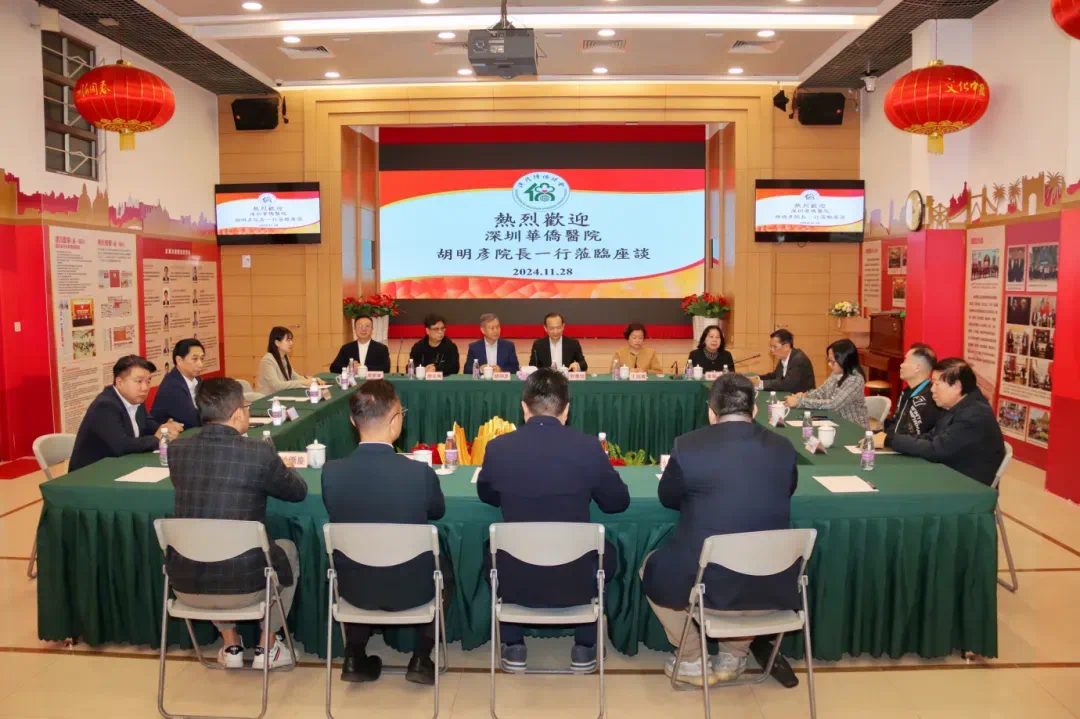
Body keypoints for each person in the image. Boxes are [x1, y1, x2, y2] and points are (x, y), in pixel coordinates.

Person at [642, 374, 798, 686]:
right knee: (749, 568)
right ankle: (733, 656)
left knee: (651, 567)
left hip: (708, 578)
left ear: (711, 412)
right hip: (773, 578)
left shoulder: (688, 446)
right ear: (754, 410)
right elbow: (788, 488)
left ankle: (690, 659)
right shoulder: (783, 447)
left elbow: (668, 497)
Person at [478, 369, 629, 673]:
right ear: (567, 409)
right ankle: (585, 646)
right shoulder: (589, 447)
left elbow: (488, 496)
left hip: (515, 576)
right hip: (577, 577)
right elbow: (617, 502)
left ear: (524, 407)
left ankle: (513, 644)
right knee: (608, 553)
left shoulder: (498, 448)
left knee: (491, 551)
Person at [167, 377, 307, 669]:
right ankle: (267, 647)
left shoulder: (177, 450)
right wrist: (283, 465)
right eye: (246, 406)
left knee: (208, 545)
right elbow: (297, 492)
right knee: (287, 550)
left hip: (187, 582)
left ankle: (231, 645)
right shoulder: (257, 453)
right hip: (246, 583)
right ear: (237, 413)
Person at [321, 380, 451, 686]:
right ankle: (421, 657)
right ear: (395, 420)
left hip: (354, 591)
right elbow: (437, 511)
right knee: (444, 566)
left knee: (356, 559)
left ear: (353, 421)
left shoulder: (331, 473)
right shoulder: (419, 473)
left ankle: (354, 654)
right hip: (413, 590)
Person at [878, 358, 1005, 486]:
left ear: (956, 386)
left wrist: (890, 440)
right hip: (949, 472)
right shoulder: (955, 404)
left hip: (966, 484)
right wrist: (890, 438)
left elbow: (935, 450)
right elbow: (931, 437)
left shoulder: (974, 414)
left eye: (936, 384)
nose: (932, 389)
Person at [69, 355, 183, 472]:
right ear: (119, 382)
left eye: (148, 381)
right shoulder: (105, 406)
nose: (145, 388)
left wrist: (165, 428)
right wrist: (156, 439)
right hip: (91, 473)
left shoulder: (135, 400)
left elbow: (147, 424)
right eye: (139, 381)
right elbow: (121, 446)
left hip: (120, 466)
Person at [785, 339, 869, 429]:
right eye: (829, 360)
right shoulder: (837, 373)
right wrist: (806, 395)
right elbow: (822, 391)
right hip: (835, 422)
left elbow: (833, 404)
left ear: (844, 360)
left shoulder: (855, 380)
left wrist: (800, 402)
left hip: (854, 428)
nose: (829, 364)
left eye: (833, 362)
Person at [878, 344, 940, 441]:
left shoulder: (930, 398)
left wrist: (884, 439)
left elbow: (915, 436)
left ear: (917, 367)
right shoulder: (906, 392)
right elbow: (896, 425)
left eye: (905, 361)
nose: (901, 365)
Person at [150, 339, 205, 429]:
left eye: (202, 359)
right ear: (179, 360)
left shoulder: (196, 379)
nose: (200, 364)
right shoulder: (172, 386)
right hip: (168, 435)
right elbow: (194, 420)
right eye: (194, 359)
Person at [257, 326, 311, 394]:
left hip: (281, 395)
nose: (291, 343)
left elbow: (294, 377)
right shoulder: (267, 361)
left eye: (291, 340)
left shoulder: (285, 357)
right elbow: (277, 385)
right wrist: (303, 382)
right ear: (277, 343)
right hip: (269, 398)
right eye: (288, 340)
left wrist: (313, 380)